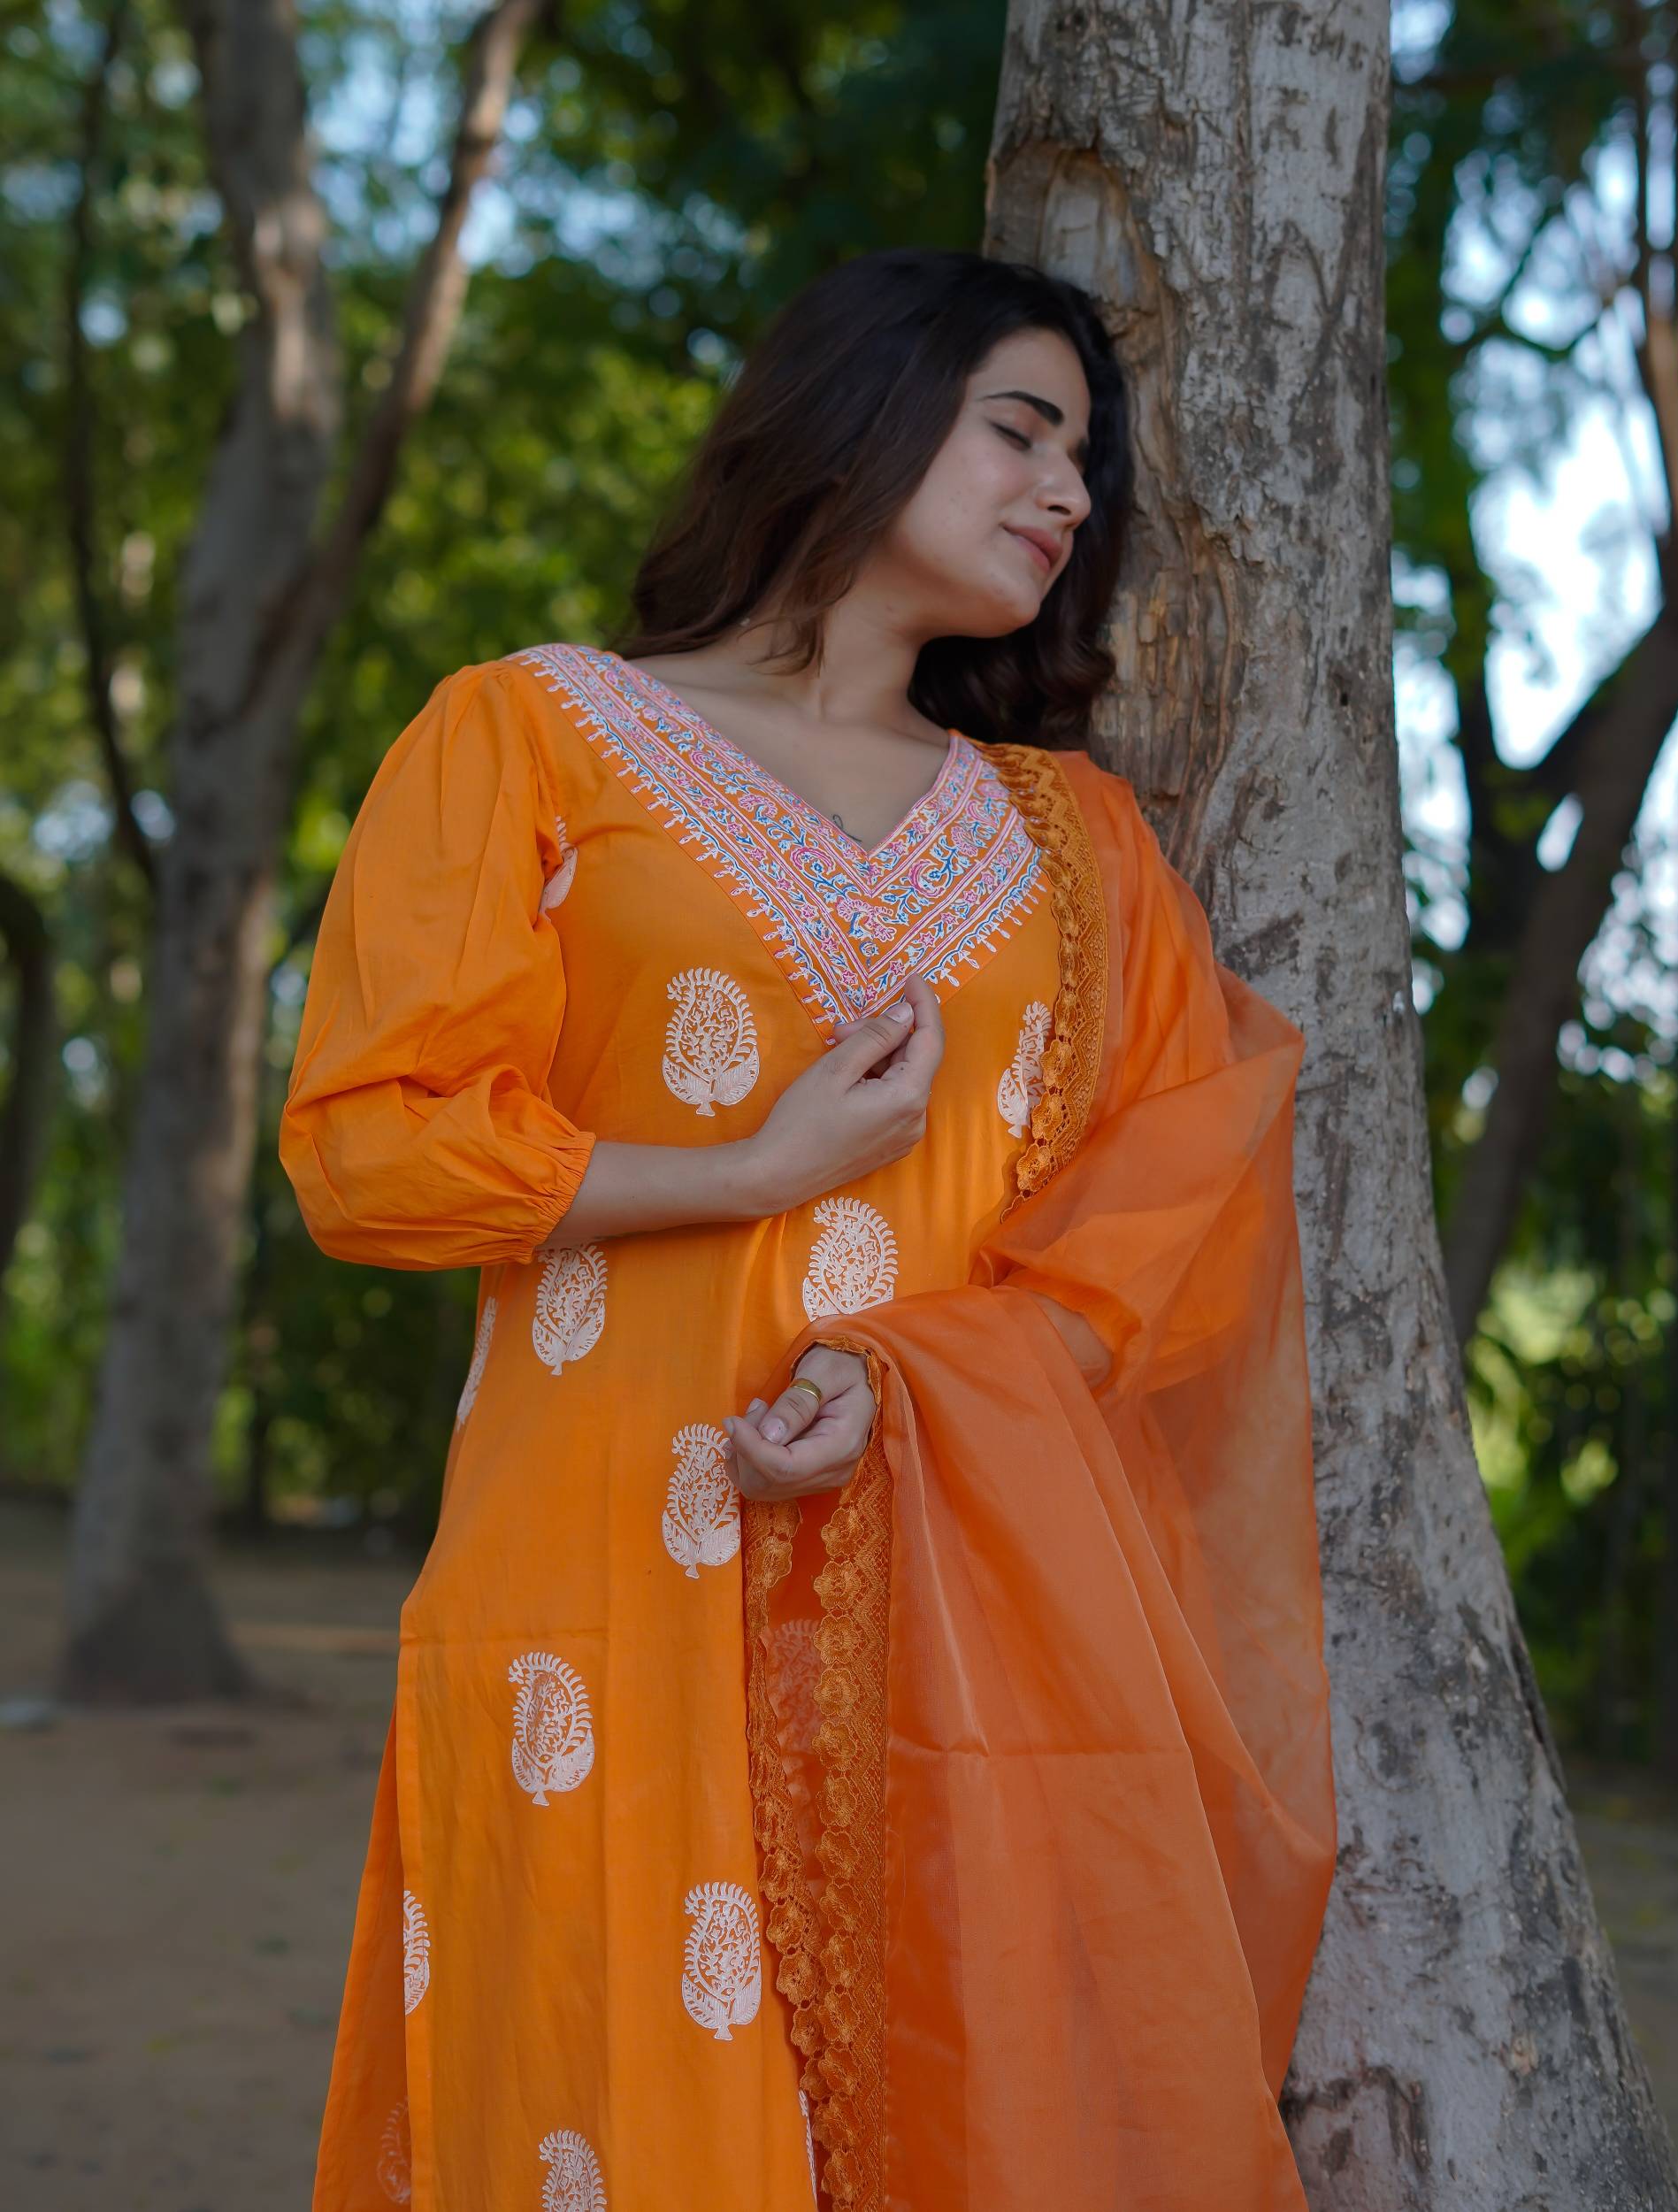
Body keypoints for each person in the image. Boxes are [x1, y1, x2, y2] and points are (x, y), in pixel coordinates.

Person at [280, 244, 1336, 2212]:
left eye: (1086, 462)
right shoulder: (531, 735)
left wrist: (903, 1375)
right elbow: (372, 1146)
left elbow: (1169, 1205)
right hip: (601, 1576)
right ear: (861, 411)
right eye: (1022, 429)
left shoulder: (1076, 843)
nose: (1068, 492)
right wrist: (745, 1173)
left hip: (956, 1594)